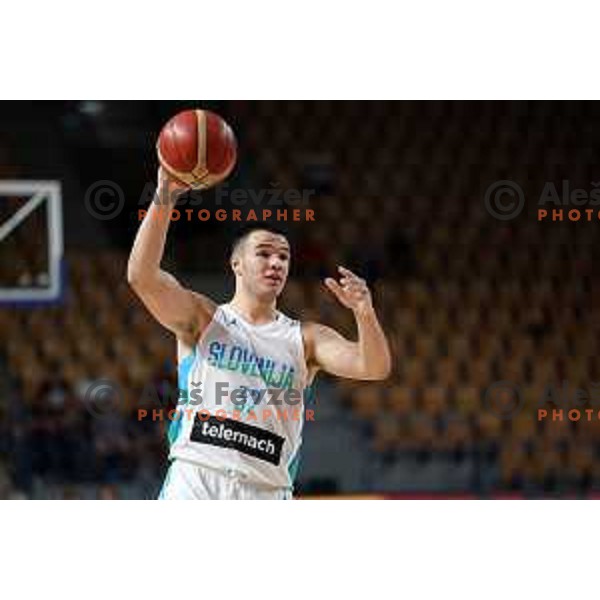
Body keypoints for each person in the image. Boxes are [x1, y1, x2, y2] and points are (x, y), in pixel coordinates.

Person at [127, 168, 391, 499]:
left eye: (283, 256)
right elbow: (142, 277)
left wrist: (365, 313)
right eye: (264, 253)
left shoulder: (306, 338)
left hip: (265, 490)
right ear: (236, 264)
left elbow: (374, 367)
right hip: (197, 480)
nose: (276, 262)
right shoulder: (204, 318)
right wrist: (165, 192)